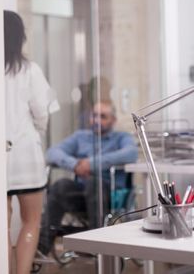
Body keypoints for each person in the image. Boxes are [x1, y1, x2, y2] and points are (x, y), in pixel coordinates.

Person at [38, 101, 138, 256]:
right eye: (94, 115)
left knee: (93, 182)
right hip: (82, 193)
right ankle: (42, 247)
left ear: (113, 120)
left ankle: (93, 243)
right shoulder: (80, 137)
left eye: (103, 116)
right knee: (60, 185)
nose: (97, 120)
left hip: (110, 194)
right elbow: (52, 152)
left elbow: (131, 153)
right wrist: (74, 165)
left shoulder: (121, 138)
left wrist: (91, 164)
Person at [5, 10, 60, 274]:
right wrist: (37, 131)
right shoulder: (30, 70)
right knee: (31, 221)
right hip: (26, 156)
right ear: (20, 37)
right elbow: (43, 113)